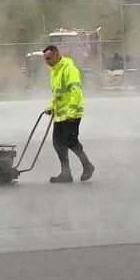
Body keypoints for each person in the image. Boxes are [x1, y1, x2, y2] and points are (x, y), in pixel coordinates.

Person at [41, 42, 94, 183]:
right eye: (45, 59)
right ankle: (66, 173)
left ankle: (87, 166)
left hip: (72, 114)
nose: (47, 62)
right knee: (57, 143)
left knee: (70, 141)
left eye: (48, 59)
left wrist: (71, 112)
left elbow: (75, 92)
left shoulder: (69, 69)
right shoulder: (54, 72)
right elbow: (58, 94)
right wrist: (50, 106)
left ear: (57, 55)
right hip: (60, 115)